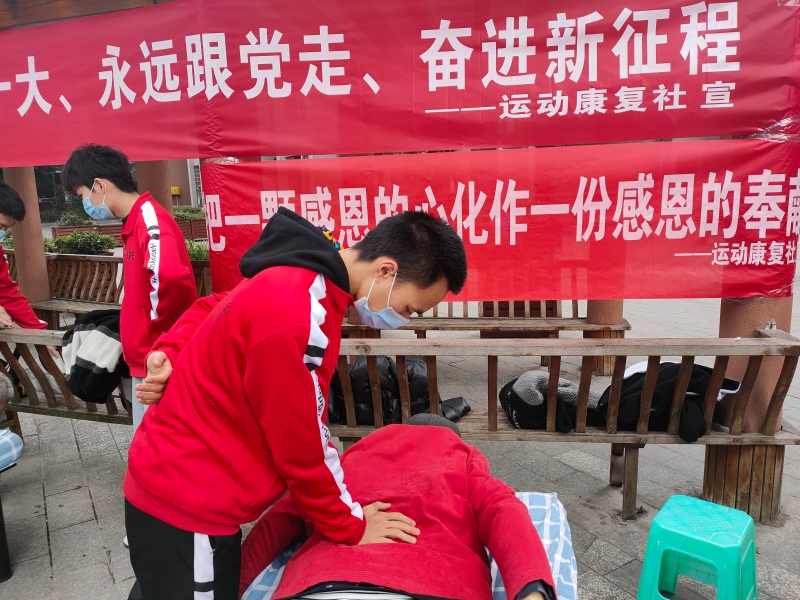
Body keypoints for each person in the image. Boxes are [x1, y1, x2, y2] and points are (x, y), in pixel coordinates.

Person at [122, 207, 468, 599]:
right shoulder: (299, 313)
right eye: (408, 309)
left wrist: (171, 348)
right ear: (386, 270)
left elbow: (216, 304)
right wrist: (352, 526)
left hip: (173, 483)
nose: (403, 319)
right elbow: (303, 446)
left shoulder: (302, 276)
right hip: (188, 506)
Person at [239, 414, 555, 600]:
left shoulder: (350, 457)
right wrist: (531, 588)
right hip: (432, 585)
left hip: (320, 581)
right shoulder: (460, 456)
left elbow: (280, 518)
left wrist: (234, 585)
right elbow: (503, 509)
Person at [61, 144, 198, 432]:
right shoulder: (136, 222)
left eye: (83, 195)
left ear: (99, 185)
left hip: (157, 357)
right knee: (150, 440)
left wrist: (158, 337)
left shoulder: (149, 220)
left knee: (157, 443)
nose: (85, 204)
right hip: (147, 356)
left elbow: (170, 278)